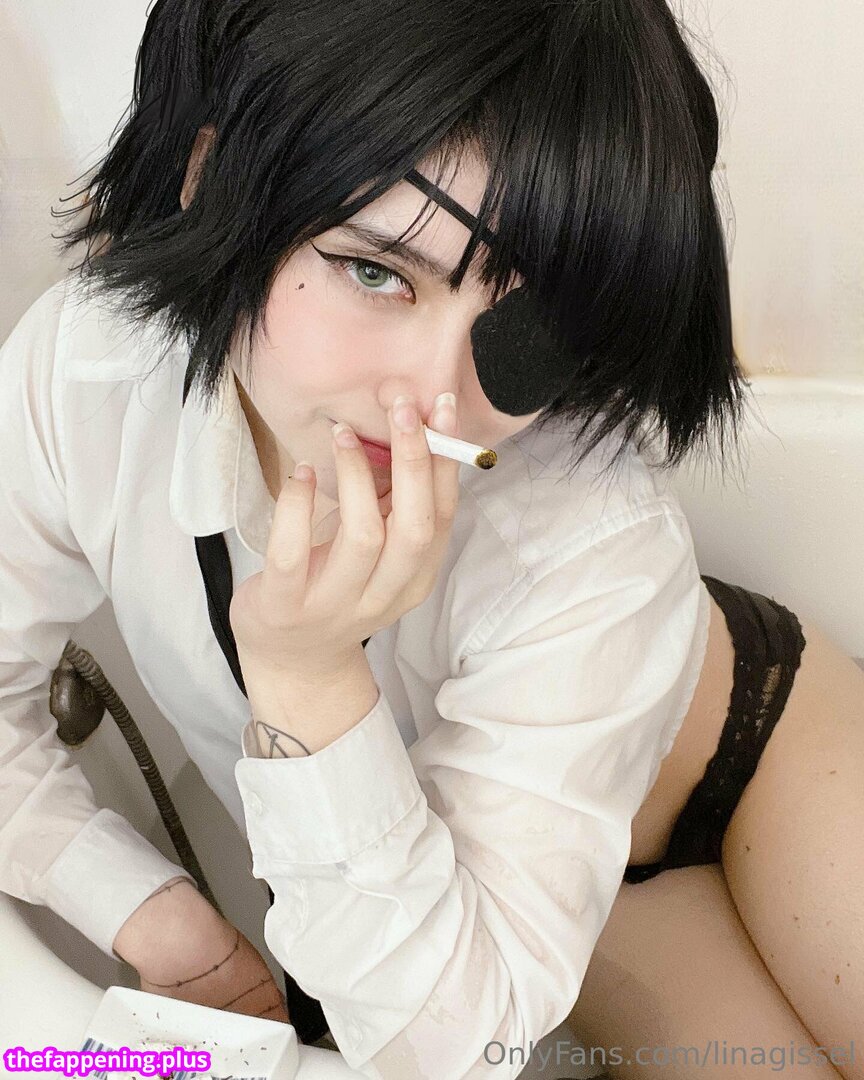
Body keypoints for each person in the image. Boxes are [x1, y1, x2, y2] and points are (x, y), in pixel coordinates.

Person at [1, 0, 862, 1078]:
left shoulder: (594, 530)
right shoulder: (88, 378)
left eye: (523, 324)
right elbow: (449, 1044)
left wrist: (307, 681)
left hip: (755, 755)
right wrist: (146, 907)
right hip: (550, 891)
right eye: (376, 272)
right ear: (211, 177)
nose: (436, 400)